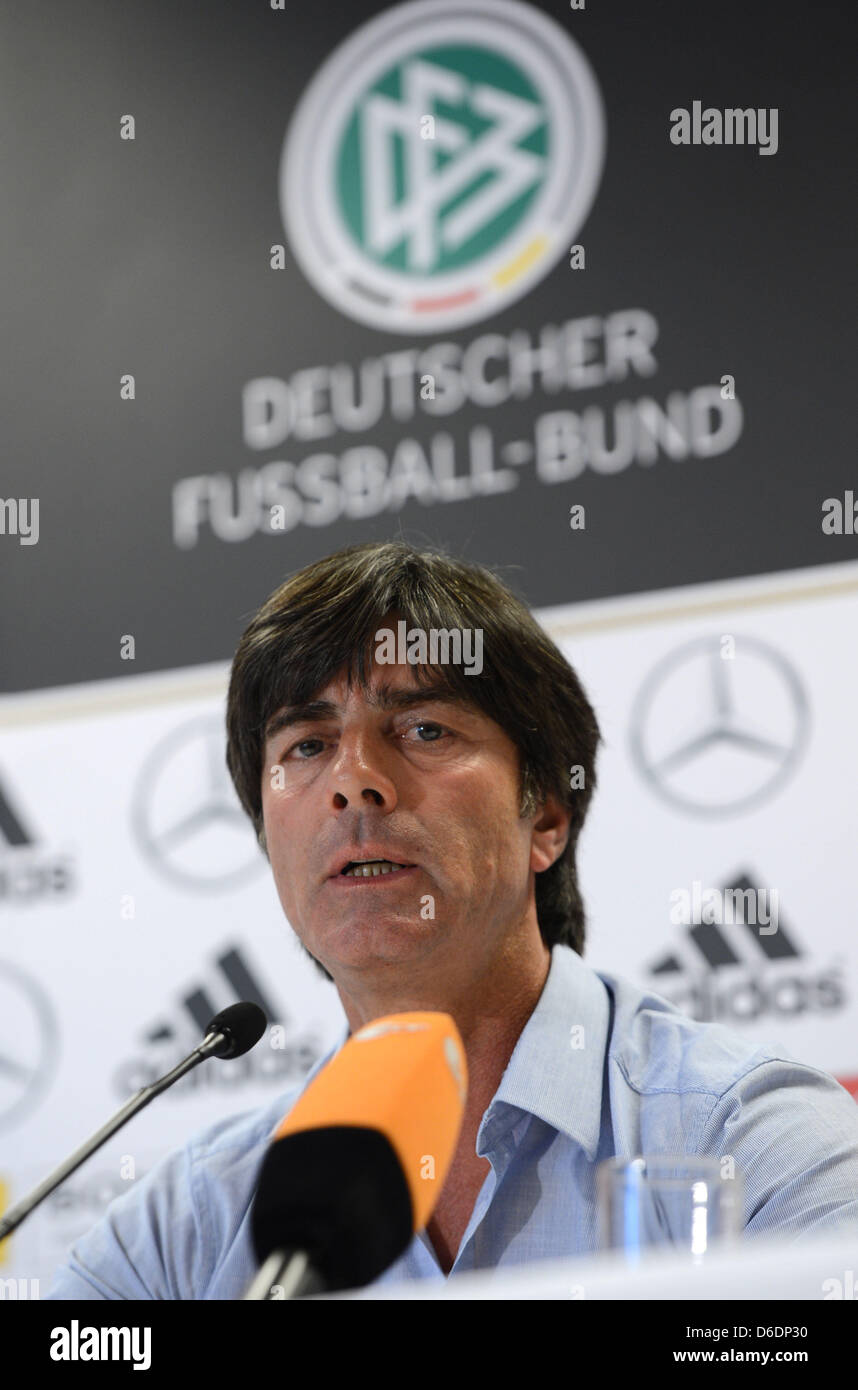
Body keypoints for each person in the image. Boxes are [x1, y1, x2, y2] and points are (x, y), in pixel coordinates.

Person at [47, 541, 858, 1300]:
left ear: (544, 815)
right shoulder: (180, 1235)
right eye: (305, 744)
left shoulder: (749, 1143)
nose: (354, 781)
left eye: (424, 729)